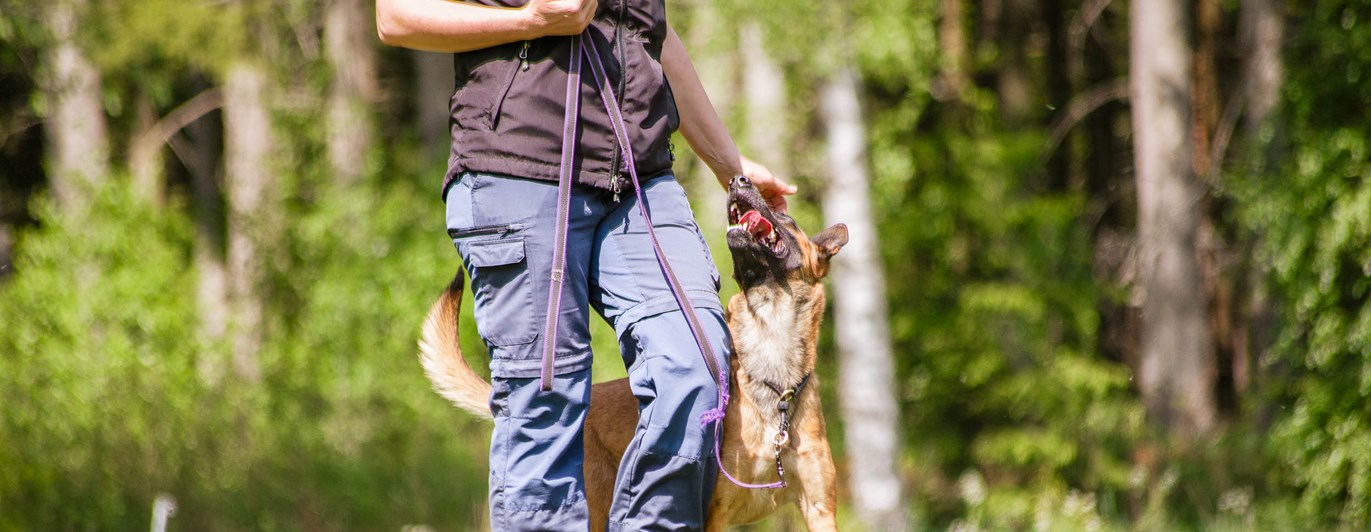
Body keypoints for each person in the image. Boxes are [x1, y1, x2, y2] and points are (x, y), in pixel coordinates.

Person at [377, 0, 795, 528]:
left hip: (639, 179)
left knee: (695, 369)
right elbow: (396, 16)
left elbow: (651, 33)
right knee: (546, 403)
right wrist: (531, 21)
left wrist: (730, 166)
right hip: (519, 169)